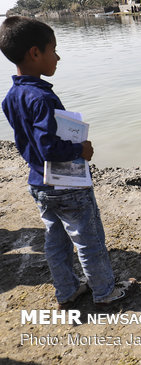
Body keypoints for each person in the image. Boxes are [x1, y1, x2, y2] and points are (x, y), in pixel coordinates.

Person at [0, 16, 134, 308]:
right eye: (53, 49)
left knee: (56, 240)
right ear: (35, 53)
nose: (58, 57)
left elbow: (33, 143)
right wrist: (80, 149)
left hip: (39, 183)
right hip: (65, 184)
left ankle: (67, 290)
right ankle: (104, 291)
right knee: (89, 239)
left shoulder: (11, 97)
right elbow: (50, 147)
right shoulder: (41, 98)